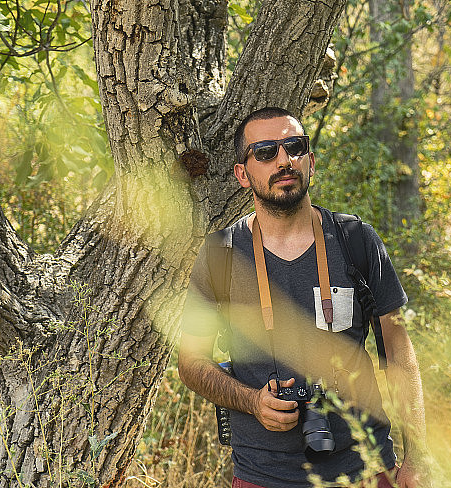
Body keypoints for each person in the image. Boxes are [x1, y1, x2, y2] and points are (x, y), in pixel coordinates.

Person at [178, 107, 427, 488]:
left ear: (310, 160)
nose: (283, 160)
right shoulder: (220, 254)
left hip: (365, 466)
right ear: (242, 174)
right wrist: (252, 402)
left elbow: (398, 351)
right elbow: (191, 363)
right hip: (263, 473)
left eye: (294, 147)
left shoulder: (355, 240)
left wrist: (418, 458)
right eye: (265, 151)